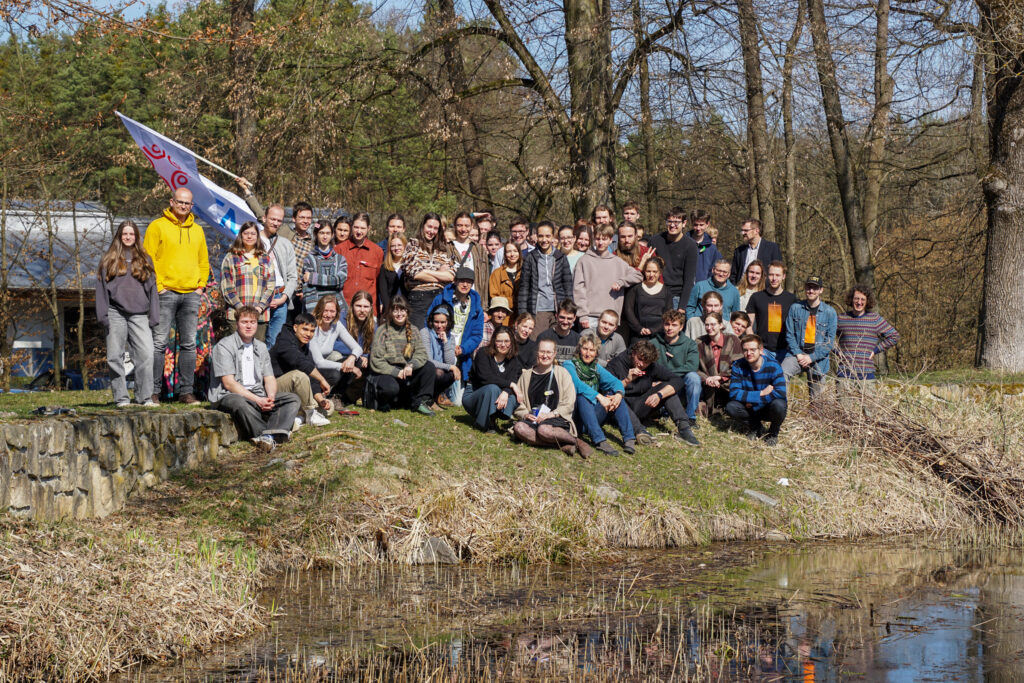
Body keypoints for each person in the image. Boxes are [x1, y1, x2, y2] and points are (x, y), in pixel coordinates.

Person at [144, 186, 209, 405]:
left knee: (189, 344)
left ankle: (186, 392)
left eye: (187, 203)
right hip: (166, 293)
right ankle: (153, 392)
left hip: (191, 293)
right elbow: (147, 259)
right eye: (179, 201)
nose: (183, 206)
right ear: (171, 202)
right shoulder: (157, 226)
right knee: (158, 343)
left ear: (192, 206)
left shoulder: (197, 230)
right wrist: (159, 286)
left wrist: (200, 286)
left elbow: (203, 261)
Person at [208, 306, 302, 452]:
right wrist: (258, 400)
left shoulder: (261, 347)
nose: (249, 326)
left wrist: (270, 398)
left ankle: (270, 435)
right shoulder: (224, 346)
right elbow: (229, 383)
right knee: (239, 402)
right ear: (237, 323)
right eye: (244, 322)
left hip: (258, 394)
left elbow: (269, 378)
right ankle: (268, 434)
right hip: (230, 395)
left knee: (292, 399)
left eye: (252, 322)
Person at [97, 220, 159, 407]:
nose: (128, 237)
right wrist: (103, 315)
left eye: (131, 234)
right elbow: (101, 289)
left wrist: (154, 315)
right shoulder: (108, 259)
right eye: (125, 234)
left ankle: (144, 397)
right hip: (115, 312)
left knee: (146, 354)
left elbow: (152, 289)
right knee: (114, 356)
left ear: (136, 236)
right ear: (119, 236)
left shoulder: (145, 259)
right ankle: (121, 398)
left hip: (140, 314)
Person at [605, 340, 699, 445]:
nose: (641, 364)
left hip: (640, 405)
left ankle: (684, 428)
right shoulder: (616, 364)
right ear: (633, 353)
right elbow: (606, 390)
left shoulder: (651, 366)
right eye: (640, 359)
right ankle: (640, 431)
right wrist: (627, 380)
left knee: (666, 388)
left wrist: (659, 395)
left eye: (646, 362)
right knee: (615, 397)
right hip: (620, 408)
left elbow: (677, 380)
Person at [512, 338, 591, 458]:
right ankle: (562, 445)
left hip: (556, 420)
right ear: (537, 352)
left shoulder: (562, 373)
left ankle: (577, 442)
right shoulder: (526, 375)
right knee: (519, 427)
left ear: (554, 354)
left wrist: (551, 414)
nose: (545, 356)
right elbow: (519, 402)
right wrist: (525, 415)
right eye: (542, 352)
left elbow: (569, 402)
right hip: (534, 419)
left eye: (548, 352)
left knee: (544, 430)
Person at [563, 334, 637, 455]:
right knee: (582, 396)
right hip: (576, 418)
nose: (588, 353)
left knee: (614, 394)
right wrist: (599, 396)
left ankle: (629, 438)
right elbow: (576, 384)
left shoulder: (596, 368)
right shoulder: (569, 364)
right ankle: (600, 440)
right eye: (585, 349)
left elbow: (616, 382)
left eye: (592, 350)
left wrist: (619, 395)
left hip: (593, 416)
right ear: (579, 349)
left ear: (596, 353)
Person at [366, 296, 436, 415]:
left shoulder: (414, 330)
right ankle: (383, 401)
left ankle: (420, 402)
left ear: (407, 311)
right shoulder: (382, 330)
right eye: (395, 310)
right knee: (391, 388)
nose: (399, 314)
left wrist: (411, 365)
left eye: (402, 310)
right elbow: (376, 360)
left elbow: (421, 353)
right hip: (387, 372)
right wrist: (395, 372)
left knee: (429, 367)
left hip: (406, 371)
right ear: (390, 313)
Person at [269, 313, 334, 427]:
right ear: (295, 327)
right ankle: (310, 413)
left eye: (312, 331)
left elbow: (311, 376)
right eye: (305, 329)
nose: (308, 334)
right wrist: (322, 379)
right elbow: (300, 362)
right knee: (299, 375)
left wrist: (320, 399)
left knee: (329, 407)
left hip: (295, 391)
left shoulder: (304, 346)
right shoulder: (284, 341)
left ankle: (300, 416)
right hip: (273, 388)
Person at [573, 223, 642, 330]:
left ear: (610, 240)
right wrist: (582, 315)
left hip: (611, 317)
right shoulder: (583, 261)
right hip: (589, 317)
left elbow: (638, 275)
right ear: (593, 239)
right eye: (597, 239)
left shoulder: (618, 262)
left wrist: (621, 282)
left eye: (604, 239)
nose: (600, 242)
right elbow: (578, 290)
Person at [835, 284, 899, 396]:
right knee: (842, 407)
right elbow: (826, 337)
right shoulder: (841, 318)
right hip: (844, 374)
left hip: (867, 376)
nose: (859, 302)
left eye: (862, 299)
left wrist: (875, 350)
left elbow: (894, 336)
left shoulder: (875, 319)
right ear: (851, 299)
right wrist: (837, 351)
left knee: (868, 407)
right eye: (856, 298)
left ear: (867, 301)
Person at [782, 275, 837, 400]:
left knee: (818, 400)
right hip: (796, 354)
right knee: (782, 372)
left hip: (818, 358)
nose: (811, 291)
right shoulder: (795, 308)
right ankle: (782, 407)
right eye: (808, 287)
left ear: (821, 290)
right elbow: (789, 334)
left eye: (815, 288)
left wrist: (811, 358)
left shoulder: (830, 312)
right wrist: (799, 354)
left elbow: (829, 343)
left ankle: (815, 412)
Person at [725, 334, 787, 446]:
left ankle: (773, 433)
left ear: (761, 350)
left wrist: (755, 403)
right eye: (745, 350)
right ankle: (755, 427)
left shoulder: (773, 365)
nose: (749, 353)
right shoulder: (738, 365)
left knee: (780, 405)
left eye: (753, 350)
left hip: (766, 407)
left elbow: (780, 392)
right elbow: (734, 393)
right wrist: (761, 393)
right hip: (749, 409)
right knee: (731, 407)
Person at [428, 267, 485, 385]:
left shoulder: (476, 307)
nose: (465, 285)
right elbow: (428, 322)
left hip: (461, 355)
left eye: (469, 282)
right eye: (462, 281)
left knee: (457, 395)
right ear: (455, 281)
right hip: (439, 349)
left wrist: (463, 348)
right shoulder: (441, 299)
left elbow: (477, 335)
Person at [220, 221, 275, 341]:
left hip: (260, 316)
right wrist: (241, 309)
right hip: (237, 314)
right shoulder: (231, 257)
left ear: (257, 236)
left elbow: (271, 287)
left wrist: (260, 308)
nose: (249, 236)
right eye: (246, 233)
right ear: (241, 235)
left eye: (253, 234)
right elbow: (227, 287)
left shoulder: (265, 258)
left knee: (257, 349)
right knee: (237, 349)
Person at [462, 325, 523, 432]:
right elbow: (485, 377)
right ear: (494, 341)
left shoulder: (514, 360)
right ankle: (483, 423)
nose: (503, 345)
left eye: (506, 341)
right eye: (499, 341)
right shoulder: (483, 353)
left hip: (497, 394)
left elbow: (513, 378)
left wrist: (506, 391)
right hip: (474, 394)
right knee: (492, 388)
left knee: (514, 397)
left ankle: (493, 418)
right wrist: (510, 385)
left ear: (511, 342)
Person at [518, 221, 573, 337]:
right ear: (536, 236)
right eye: (541, 236)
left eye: (548, 236)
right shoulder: (530, 258)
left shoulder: (560, 258)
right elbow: (524, 288)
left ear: (553, 237)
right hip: (538, 310)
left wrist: (569, 311)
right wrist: (522, 314)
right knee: (537, 342)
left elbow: (568, 286)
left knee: (555, 343)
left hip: (558, 309)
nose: (544, 240)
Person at [650, 309, 702, 430]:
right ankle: (663, 411)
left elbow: (692, 366)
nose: (670, 328)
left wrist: (668, 375)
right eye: (667, 324)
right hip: (659, 384)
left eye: (674, 325)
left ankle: (690, 417)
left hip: (680, 383)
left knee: (694, 378)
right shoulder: (653, 343)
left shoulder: (690, 344)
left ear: (681, 327)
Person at [401, 213, 455, 328]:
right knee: (420, 335)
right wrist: (440, 275)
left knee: (437, 335)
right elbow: (414, 273)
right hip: (419, 297)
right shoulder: (413, 245)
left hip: (439, 297)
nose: (432, 231)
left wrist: (425, 271)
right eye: (429, 227)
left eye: (435, 228)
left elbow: (451, 276)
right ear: (423, 226)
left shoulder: (443, 249)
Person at [310, 294, 363, 408]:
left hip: (324, 365)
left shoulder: (336, 325)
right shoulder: (312, 326)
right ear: (319, 309)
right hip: (311, 368)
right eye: (325, 311)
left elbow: (358, 348)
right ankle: (318, 395)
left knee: (357, 361)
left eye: (332, 311)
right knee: (335, 374)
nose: (328, 315)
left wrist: (352, 358)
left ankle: (336, 396)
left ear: (337, 312)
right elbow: (319, 362)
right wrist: (346, 366)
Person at [259, 204, 297, 347]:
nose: (275, 223)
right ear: (264, 218)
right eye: (272, 219)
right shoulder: (253, 240)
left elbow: (293, 276)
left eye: (279, 220)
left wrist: (284, 298)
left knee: (275, 343)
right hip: (259, 297)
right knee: (257, 340)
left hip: (280, 297)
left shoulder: (285, 244)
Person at [649, 208, 698, 313]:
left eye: (676, 222)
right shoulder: (655, 241)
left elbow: (689, 279)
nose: (672, 225)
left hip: (676, 297)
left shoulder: (691, 246)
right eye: (669, 221)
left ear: (684, 223)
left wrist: (682, 307)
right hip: (656, 293)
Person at [745, 261, 796, 360]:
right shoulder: (756, 297)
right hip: (763, 350)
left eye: (777, 275)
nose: (774, 278)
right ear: (767, 275)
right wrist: (755, 346)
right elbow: (748, 324)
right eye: (771, 274)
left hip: (785, 351)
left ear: (784, 276)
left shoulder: (791, 299)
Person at [696, 311, 743, 415]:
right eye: (707, 325)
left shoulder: (732, 339)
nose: (709, 328)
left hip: (729, 381)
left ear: (721, 325)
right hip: (707, 383)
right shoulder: (699, 342)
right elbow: (694, 367)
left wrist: (721, 377)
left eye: (713, 324)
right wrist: (707, 378)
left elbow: (739, 364)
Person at [336, 211, 383, 307]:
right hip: (344, 306)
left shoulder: (377, 252)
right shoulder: (339, 250)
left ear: (368, 228)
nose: (359, 231)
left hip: (367, 308)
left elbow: (379, 281)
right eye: (356, 227)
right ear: (351, 227)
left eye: (362, 228)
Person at [301, 220, 348, 315]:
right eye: (321, 233)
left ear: (332, 235)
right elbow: (308, 288)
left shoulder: (340, 259)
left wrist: (313, 278)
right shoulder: (309, 259)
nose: (325, 236)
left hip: (338, 308)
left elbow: (339, 281)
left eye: (328, 233)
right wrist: (313, 313)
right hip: (317, 308)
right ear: (316, 234)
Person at [622, 255, 671, 342]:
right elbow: (628, 310)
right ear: (644, 271)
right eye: (648, 271)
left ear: (660, 272)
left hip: (659, 336)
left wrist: (653, 330)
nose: (651, 275)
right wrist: (639, 328)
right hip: (638, 334)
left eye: (655, 271)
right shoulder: (635, 289)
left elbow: (668, 314)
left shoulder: (666, 292)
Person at [422, 303, 460, 408]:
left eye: (443, 322)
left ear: (448, 322)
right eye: (436, 322)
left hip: (440, 369)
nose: (439, 326)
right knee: (438, 372)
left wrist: (446, 342)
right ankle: (428, 399)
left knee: (452, 374)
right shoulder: (425, 333)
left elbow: (450, 362)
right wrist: (451, 367)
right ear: (431, 321)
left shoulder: (450, 337)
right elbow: (429, 361)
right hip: (426, 370)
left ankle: (437, 396)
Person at [448, 211, 490, 300]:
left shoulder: (479, 249)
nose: (463, 229)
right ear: (454, 226)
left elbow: (485, 279)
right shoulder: (448, 248)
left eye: (467, 226)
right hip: (453, 298)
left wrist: (484, 304)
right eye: (460, 225)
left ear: (472, 226)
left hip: (475, 299)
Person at [730, 218, 782, 285]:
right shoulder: (739, 250)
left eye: (746, 230)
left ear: (756, 231)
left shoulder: (772, 248)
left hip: (764, 289)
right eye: (742, 230)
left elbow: (778, 271)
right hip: (742, 288)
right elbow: (734, 274)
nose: (743, 233)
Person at [288, 202, 316, 304]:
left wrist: (306, 290)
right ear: (294, 218)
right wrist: (248, 195)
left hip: (300, 294)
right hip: (283, 290)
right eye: (302, 217)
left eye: (308, 218)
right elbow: (263, 217)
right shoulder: (285, 233)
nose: (305, 221)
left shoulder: (313, 244)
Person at [689, 209, 723, 283]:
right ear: (691, 223)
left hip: (705, 288)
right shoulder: (684, 243)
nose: (698, 228)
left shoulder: (712, 248)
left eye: (701, 225)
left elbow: (716, 272)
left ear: (707, 224)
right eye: (695, 225)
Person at [488, 241, 521, 312]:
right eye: (509, 251)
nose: (512, 254)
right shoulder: (497, 273)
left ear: (519, 253)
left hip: (521, 313)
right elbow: (494, 297)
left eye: (515, 251)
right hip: (503, 313)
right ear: (505, 254)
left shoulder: (525, 271)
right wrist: (513, 302)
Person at [377, 234, 407, 313]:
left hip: (408, 309)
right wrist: (390, 310)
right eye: (393, 246)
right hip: (390, 310)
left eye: (399, 245)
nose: (396, 248)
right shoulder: (384, 267)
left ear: (405, 246)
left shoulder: (410, 265)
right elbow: (383, 292)